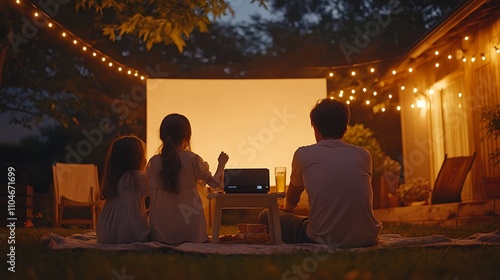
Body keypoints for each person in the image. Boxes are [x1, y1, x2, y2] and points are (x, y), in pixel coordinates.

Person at [259, 98, 381, 248]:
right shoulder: (363, 155)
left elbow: (292, 199)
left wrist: (286, 210)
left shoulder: (303, 154)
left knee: (267, 215)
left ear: (315, 128)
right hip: (367, 238)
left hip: (323, 239)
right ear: (345, 128)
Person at [148, 113, 229, 244]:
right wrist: (221, 164)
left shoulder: (153, 162)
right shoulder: (192, 159)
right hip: (191, 233)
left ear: (161, 136)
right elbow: (215, 184)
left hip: (160, 233)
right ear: (187, 136)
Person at [96, 135, 149, 244]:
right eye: (143, 155)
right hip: (128, 234)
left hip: (105, 234)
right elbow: (159, 189)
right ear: (137, 158)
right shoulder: (137, 178)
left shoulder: (113, 179)